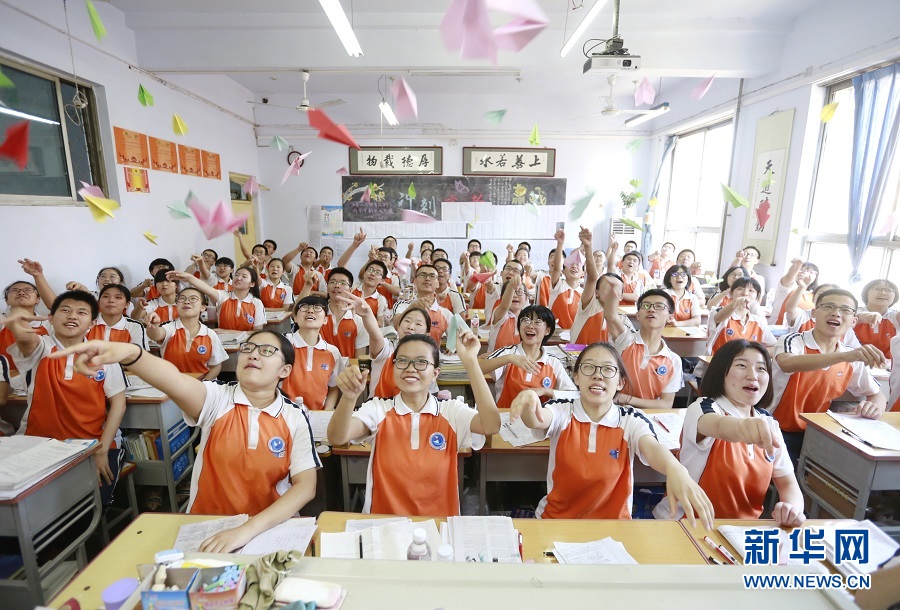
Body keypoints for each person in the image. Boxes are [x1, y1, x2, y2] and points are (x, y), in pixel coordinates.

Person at [52, 331, 320, 552]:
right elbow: (174, 381)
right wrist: (133, 355)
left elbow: (305, 487)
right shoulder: (217, 398)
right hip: (209, 523)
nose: (253, 354)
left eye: (266, 351)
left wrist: (247, 530)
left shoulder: (294, 417)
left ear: (284, 370)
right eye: (248, 348)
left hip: (269, 528)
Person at [509, 342, 714, 526]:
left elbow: (652, 448)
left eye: (608, 369)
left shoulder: (630, 419)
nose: (598, 375)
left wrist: (675, 469)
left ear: (620, 383)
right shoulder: (562, 410)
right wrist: (529, 401)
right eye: (589, 367)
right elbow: (536, 419)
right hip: (556, 521)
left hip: (615, 527)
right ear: (576, 376)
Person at [328, 329, 500, 516]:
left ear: (435, 374)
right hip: (385, 522)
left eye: (421, 362)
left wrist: (471, 362)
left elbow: (491, 425)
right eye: (402, 361)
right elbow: (337, 437)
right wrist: (348, 398)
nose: (410, 368)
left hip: (439, 523)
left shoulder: (450, 411)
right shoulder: (378, 409)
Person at [653, 340, 805, 525]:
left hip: (740, 531)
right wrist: (742, 427)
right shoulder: (703, 407)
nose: (753, 376)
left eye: (761, 368)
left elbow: (788, 483)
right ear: (721, 372)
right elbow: (719, 426)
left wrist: (792, 509)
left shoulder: (769, 423)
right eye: (741, 365)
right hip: (687, 525)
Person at [6, 291, 127, 506]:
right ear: (51, 318)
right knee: (32, 506)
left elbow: (118, 403)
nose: (72, 316)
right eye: (65, 310)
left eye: (81, 312)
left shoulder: (103, 355)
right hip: (39, 443)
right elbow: (25, 339)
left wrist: (101, 450)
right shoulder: (41, 348)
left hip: (92, 445)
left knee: (89, 506)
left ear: (92, 323)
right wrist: (17, 317)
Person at [771, 289, 886, 463]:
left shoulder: (849, 356)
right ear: (814, 313)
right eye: (828, 306)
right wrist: (844, 356)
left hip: (818, 431)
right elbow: (787, 363)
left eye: (845, 310)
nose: (836, 313)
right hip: (777, 428)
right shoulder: (793, 340)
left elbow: (877, 394)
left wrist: (874, 408)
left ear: (854, 321)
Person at [600, 287, 683, 409]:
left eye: (659, 306)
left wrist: (626, 399)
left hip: (648, 415)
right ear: (638, 315)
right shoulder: (625, 340)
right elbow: (611, 316)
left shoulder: (674, 360)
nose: (651, 309)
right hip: (615, 410)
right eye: (646, 305)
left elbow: (666, 404)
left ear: (670, 318)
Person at [482, 305, 575, 408]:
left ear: (547, 331)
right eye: (526, 320)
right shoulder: (509, 352)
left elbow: (574, 395)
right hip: (506, 415)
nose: (530, 326)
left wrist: (545, 391)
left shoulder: (553, 363)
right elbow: (478, 369)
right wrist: (509, 358)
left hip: (540, 417)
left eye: (538, 322)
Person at [145, 287, 228, 380]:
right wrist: (153, 325)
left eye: (193, 298)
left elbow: (216, 366)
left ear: (203, 307)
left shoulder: (210, 334)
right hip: (172, 383)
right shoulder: (170, 328)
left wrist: (203, 384)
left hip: (202, 385)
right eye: (182, 298)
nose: (187, 302)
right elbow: (155, 335)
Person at [281, 296, 344, 410]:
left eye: (317, 308)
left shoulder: (332, 352)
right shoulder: (283, 343)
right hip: (284, 412)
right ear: (295, 318)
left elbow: (334, 388)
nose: (310, 311)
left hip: (318, 413)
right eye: (304, 307)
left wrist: (326, 412)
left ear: (325, 320)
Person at [171, 268, 266, 332]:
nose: (238, 278)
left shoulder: (256, 303)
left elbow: (257, 331)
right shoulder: (223, 296)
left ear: (252, 284)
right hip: (224, 343)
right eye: (236, 275)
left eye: (244, 276)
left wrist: (229, 332)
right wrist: (189, 278)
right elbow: (205, 288)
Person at [304, 267, 368, 358]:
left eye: (342, 283)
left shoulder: (359, 321)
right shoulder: (316, 315)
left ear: (350, 290)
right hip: (318, 365)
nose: (337, 285)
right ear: (327, 287)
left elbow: (359, 358)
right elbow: (297, 313)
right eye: (332, 282)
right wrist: (307, 285)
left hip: (348, 366)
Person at [392, 264, 452, 343]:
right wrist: (412, 307)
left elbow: (455, 340)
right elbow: (395, 325)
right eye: (423, 275)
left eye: (432, 276)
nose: (427, 279)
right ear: (415, 281)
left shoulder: (445, 314)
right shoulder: (402, 305)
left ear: (438, 283)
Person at [1, 279, 49, 374]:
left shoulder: (50, 324)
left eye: (28, 290)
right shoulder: (2, 321)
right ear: (6, 300)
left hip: (40, 379)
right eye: (15, 290)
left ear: (38, 299)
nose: (21, 293)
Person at [87, 284, 148, 349]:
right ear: (99, 302)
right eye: (106, 296)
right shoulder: (87, 322)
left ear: (127, 304)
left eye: (118, 297)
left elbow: (139, 353)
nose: (111, 300)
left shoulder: (135, 327)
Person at [853, 279, 899, 359]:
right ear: (866, 293)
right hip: (853, 361)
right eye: (877, 288)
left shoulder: (895, 316)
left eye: (889, 290)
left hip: (886, 364)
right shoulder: (853, 312)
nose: (883, 293)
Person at [548, 229, 584, 330]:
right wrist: (560, 244)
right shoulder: (558, 285)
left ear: (583, 273)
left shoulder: (584, 293)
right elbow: (556, 267)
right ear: (563, 271)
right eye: (570, 264)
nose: (574, 266)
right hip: (556, 333)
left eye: (577, 265)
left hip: (575, 334)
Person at [768, 258, 819, 324]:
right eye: (801, 270)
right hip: (777, 326)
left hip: (802, 329)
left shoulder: (816, 293)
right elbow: (789, 276)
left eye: (811, 272)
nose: (805, 273)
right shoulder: (789, 286)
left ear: (816, 277)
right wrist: (797, 265)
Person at [487, 274, 527, 352]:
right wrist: (511, 286)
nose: (515, 295)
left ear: (526, 298)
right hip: (497, 359)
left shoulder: (527, 318)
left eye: (520, 291)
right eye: (512, 292)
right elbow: (504, 306)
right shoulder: (500, 314)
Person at [352, 260, 390, 326]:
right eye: (370, 270)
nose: (372, 274)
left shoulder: (381, 300)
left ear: (382, 280)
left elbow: (380, 324)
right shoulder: (352, 287)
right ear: (364, 273)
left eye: (378, 273)